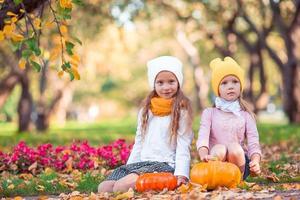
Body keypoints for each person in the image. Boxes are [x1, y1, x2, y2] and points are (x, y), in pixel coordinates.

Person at [98, 56, 194, 193]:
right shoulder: (146, 111)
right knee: (104, 188)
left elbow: (183, 145)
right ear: (153, 84)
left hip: (164, 166)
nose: (166, 87)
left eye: (171, 81)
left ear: (178, 82)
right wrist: (130, 167)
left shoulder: (181, 112)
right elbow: (139, 142)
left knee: (120, 187)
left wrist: (182, 174)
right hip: (143, 163)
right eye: (160, 83)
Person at [196, 57, 262, 180]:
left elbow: (253, 143)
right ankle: (217, 178)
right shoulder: (209, 113)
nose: (230, 86)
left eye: (235, 82)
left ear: (240, 86)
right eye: (224, 83)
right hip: (216, 161)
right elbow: (203, 138)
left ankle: (236, 179)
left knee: (235, 148)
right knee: (219, 148)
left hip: (239, 164)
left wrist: (255, 161)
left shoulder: (246, 115)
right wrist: (204, 155)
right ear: (217, 89)